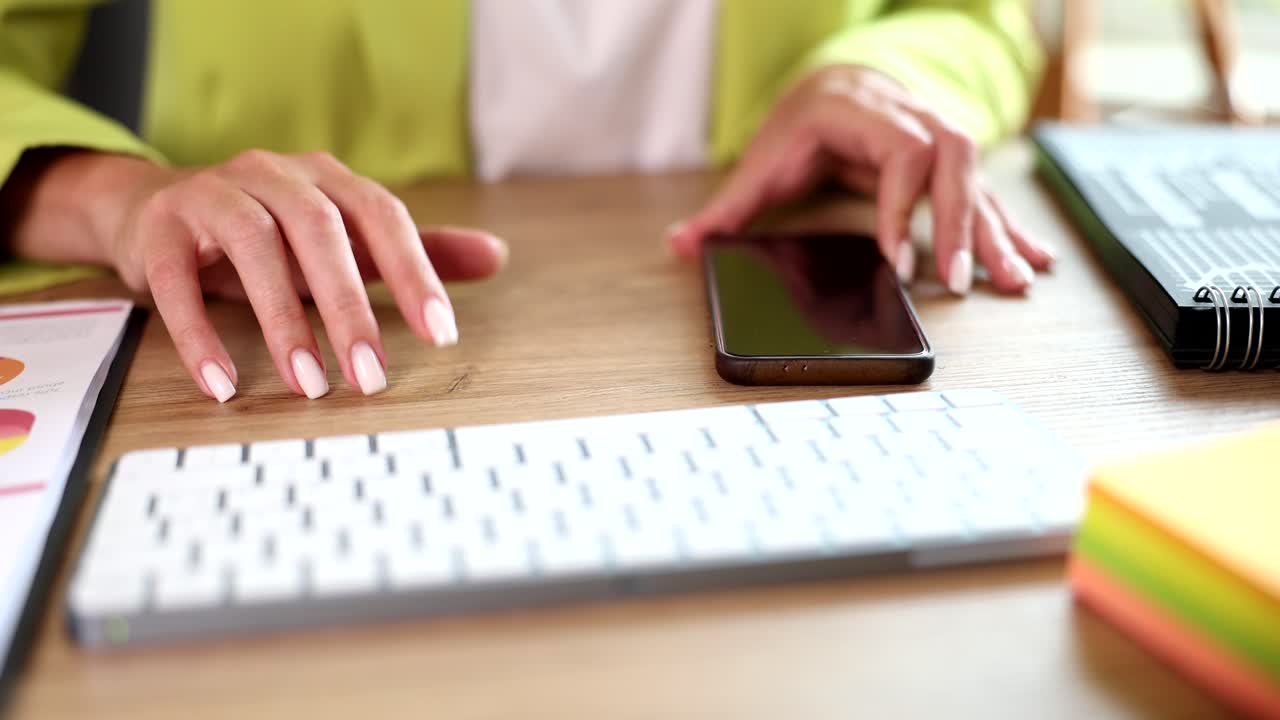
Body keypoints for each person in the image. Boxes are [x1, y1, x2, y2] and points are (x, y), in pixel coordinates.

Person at [0, 0, 1052, 403]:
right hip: (290, 355)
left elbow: (976, 14)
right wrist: (114, 200)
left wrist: (883, 72)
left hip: (766, 312)